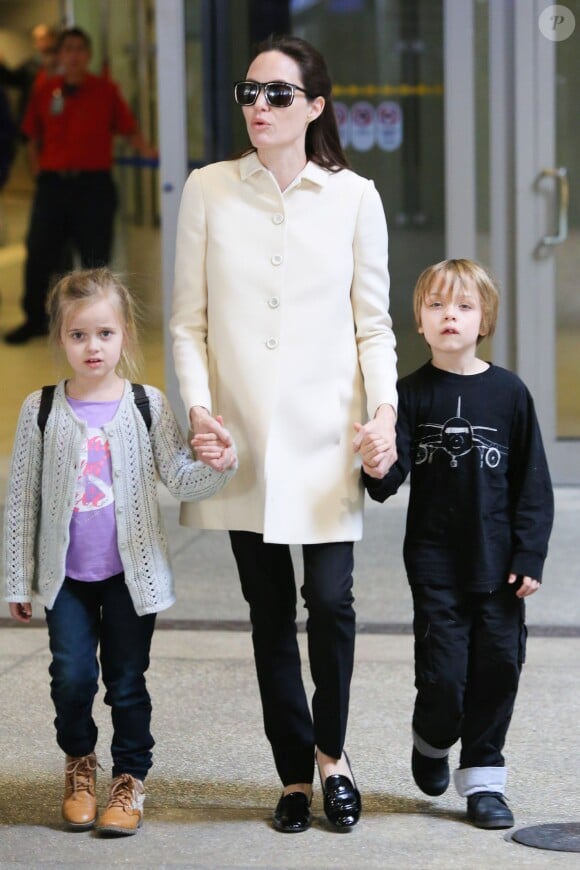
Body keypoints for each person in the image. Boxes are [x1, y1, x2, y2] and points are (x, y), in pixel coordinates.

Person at [171, 34, 398, 833]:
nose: (259, 107)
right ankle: (295, 775)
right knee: (267, 612)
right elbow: (186, 323)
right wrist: (199, 410)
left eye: (276, 94)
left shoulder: (354, 197)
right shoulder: (207, 189)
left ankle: (334, 755)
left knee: (330, 602)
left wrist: (384, 414)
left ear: (314, 106)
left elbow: (374, 326)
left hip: (327, 439)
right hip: (239, 441)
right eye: (249, 93)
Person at [4, 268, 236, 835]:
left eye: (105, 333)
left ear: (125, 334)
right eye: (79, 334)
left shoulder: (146, 404)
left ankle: (129, 779)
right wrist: (17, 580)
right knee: (73, 677)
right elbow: (20, 505)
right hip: (67, 581)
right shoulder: (40, 410)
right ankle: (80, 762)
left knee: (127, 681)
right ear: (60, 338)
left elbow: (178, 477)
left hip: (132, 578)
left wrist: (218, 466)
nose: (92, 346)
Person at [361, 258, 554, 830]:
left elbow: (532, 486)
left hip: (501, 569)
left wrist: (528, 555)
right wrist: (375, 462)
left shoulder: (510, 394)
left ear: (484, 319)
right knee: (443, 676)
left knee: (499, 668)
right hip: (436, 563)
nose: (451, 316)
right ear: (418, 322)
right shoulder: (409, 395)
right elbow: (386, 483)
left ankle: (485, 781)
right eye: (437, 306)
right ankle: (433, 737)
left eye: (464, 306)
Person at [4, 26, 156, 345]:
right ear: (59, 56)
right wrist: (38, 172)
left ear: (87, 55)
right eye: (67, 49)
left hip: (93, 187)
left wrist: (148, 151)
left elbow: (128, 129)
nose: (73, 55)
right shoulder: (46, 91)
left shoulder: (105, 90)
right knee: (41, 252)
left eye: (79, 49)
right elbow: (32, 137)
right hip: (53, 186)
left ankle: (97, 324)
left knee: (94, 258)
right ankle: (36, 319)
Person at [0, 24, 59, 130]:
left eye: (44, 38)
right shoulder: (30, 65)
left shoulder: (64, 63)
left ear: (53, 39)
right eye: (37, 39)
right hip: (34, 118)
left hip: (55, 116)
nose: (41, 42)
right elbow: (11, 79)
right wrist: (2, 65)